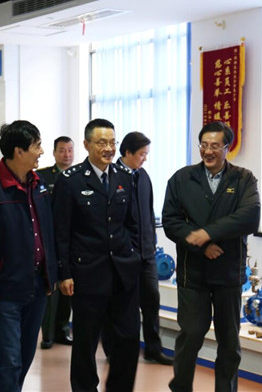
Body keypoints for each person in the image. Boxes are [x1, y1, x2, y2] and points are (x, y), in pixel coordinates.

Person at [162, 121, 260, 392]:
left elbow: (250, 217)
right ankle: (181, 386)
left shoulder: (243, 179)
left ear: (227, 148)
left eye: (215, 146)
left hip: (228, 272)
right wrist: (202, 245)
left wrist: (207, 233)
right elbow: (171, 221)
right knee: (191, 334)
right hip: (193, 272)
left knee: (229, 342)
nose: (208, 151)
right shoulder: (182, 179)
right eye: (204, 145)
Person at [0, 120, 58, 392]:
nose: (41, 152)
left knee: (25, 355)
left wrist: (51, 275)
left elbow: (47, 232)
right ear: (19, 151)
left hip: (37, 286)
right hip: (4, 290)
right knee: (8, 362)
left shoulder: (38, 184)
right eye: (37, 146)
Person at [55, 119, 141, 392]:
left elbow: (133, 224)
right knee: (86, 342)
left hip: (123, 272)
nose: (109, 148)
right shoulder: (70, 180)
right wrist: (64, 272)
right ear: (86, 144)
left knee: (128, 338)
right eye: (102, 142)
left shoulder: (125, 176)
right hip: (87, 274)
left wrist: (135, 257)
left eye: (112, 142)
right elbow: (61, 232)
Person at [101, 132, 173, 364]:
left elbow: (149, 214)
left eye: (146, 154)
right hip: (123, 255)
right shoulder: (111, 176)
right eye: (141, 154)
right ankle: (114, 350)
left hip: (147, 253)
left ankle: (153, 348)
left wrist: (151, 243)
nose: (144, 159)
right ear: (127, 152)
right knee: (120, 305)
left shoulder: (143, 176)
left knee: (151, 300)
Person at [37, 136, 74, 349]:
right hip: (49, 240)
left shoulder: (77, 175)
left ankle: (62, 331)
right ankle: (48, 335)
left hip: (71, 241)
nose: (66, 154)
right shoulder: (42, 176)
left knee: (68, 288)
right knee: (52, 289)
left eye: (70, 150)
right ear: (54, 153)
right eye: (62, 150)